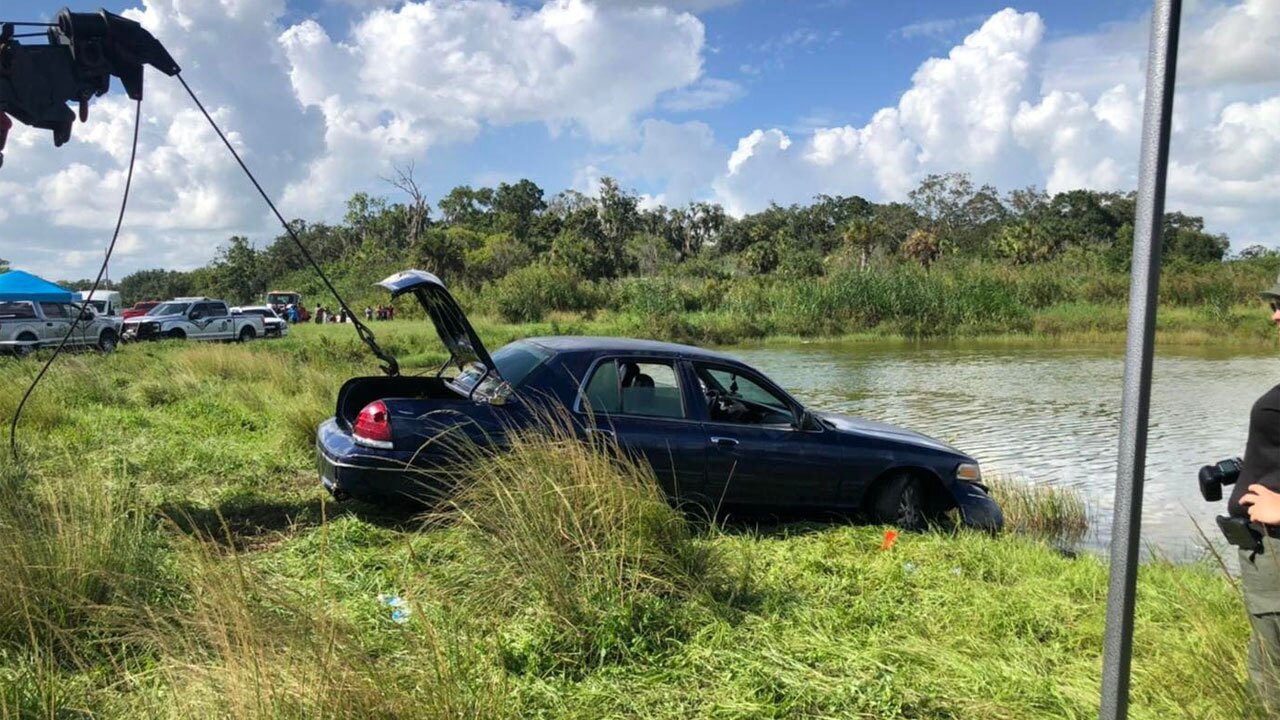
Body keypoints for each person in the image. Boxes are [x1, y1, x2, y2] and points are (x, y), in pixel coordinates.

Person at [1230, 276, 1280, 711]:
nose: (1276, 314)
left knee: (1272, 673)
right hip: (1263, 552)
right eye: (1274, 304)